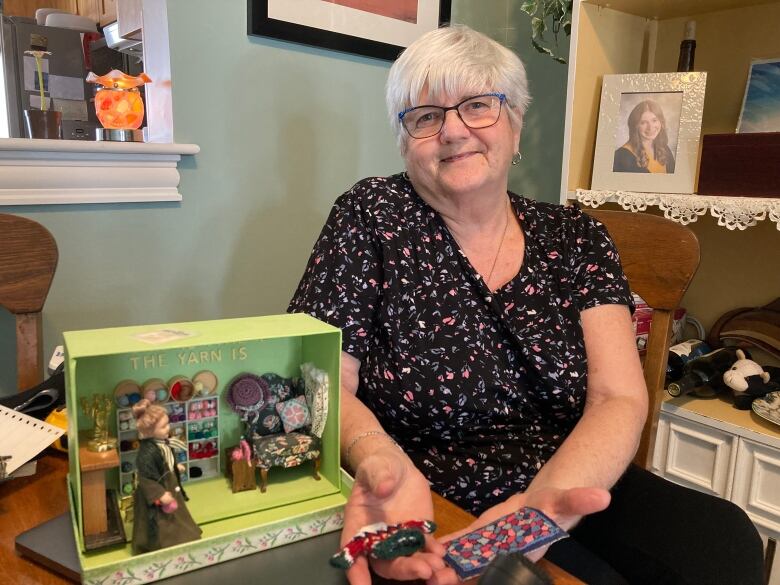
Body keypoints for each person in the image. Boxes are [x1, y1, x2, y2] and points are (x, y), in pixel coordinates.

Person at [289, 25, 763, 585]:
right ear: (404, 138)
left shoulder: (574, 236)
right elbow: (319, 378)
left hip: (567, 474)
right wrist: (378, 461)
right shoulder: (371, 215)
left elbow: (617, 396)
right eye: (426, 116)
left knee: (724, 541)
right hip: (424, 493)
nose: (453, 131)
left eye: (478, 106)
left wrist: (539, 510)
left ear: (515, 125)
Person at [131, 399, 201, 554]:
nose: (168, 428)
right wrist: (160, 494)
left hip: (169, 483)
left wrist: (174, 467)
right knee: (159, 522)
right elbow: (146, 478)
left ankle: (183, 537)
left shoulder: (163, 443)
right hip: (158, 493)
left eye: (168, 424)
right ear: (149, 431)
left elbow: (165, 460)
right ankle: (162, 546)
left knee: (178, 516)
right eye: (163, 426)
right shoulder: (146, 453)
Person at [613, 99, 676, 174]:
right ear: (635, 126)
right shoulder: (621, 157)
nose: (650, 127)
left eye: (654, 120)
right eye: (643, 123)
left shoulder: (664, 148)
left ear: (661, 121)